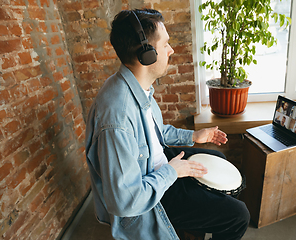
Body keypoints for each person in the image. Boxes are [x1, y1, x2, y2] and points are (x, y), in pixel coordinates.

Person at [85, 8, 250, 240]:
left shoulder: (137, 87)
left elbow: (154, 134)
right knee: (238, 215)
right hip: (150, 196)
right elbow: (124, 201)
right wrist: (172, 172)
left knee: (219, 159)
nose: (171, 50)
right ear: (147, 54)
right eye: (165, 45)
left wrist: (194, 136)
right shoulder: (117, 119)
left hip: (157, 164)